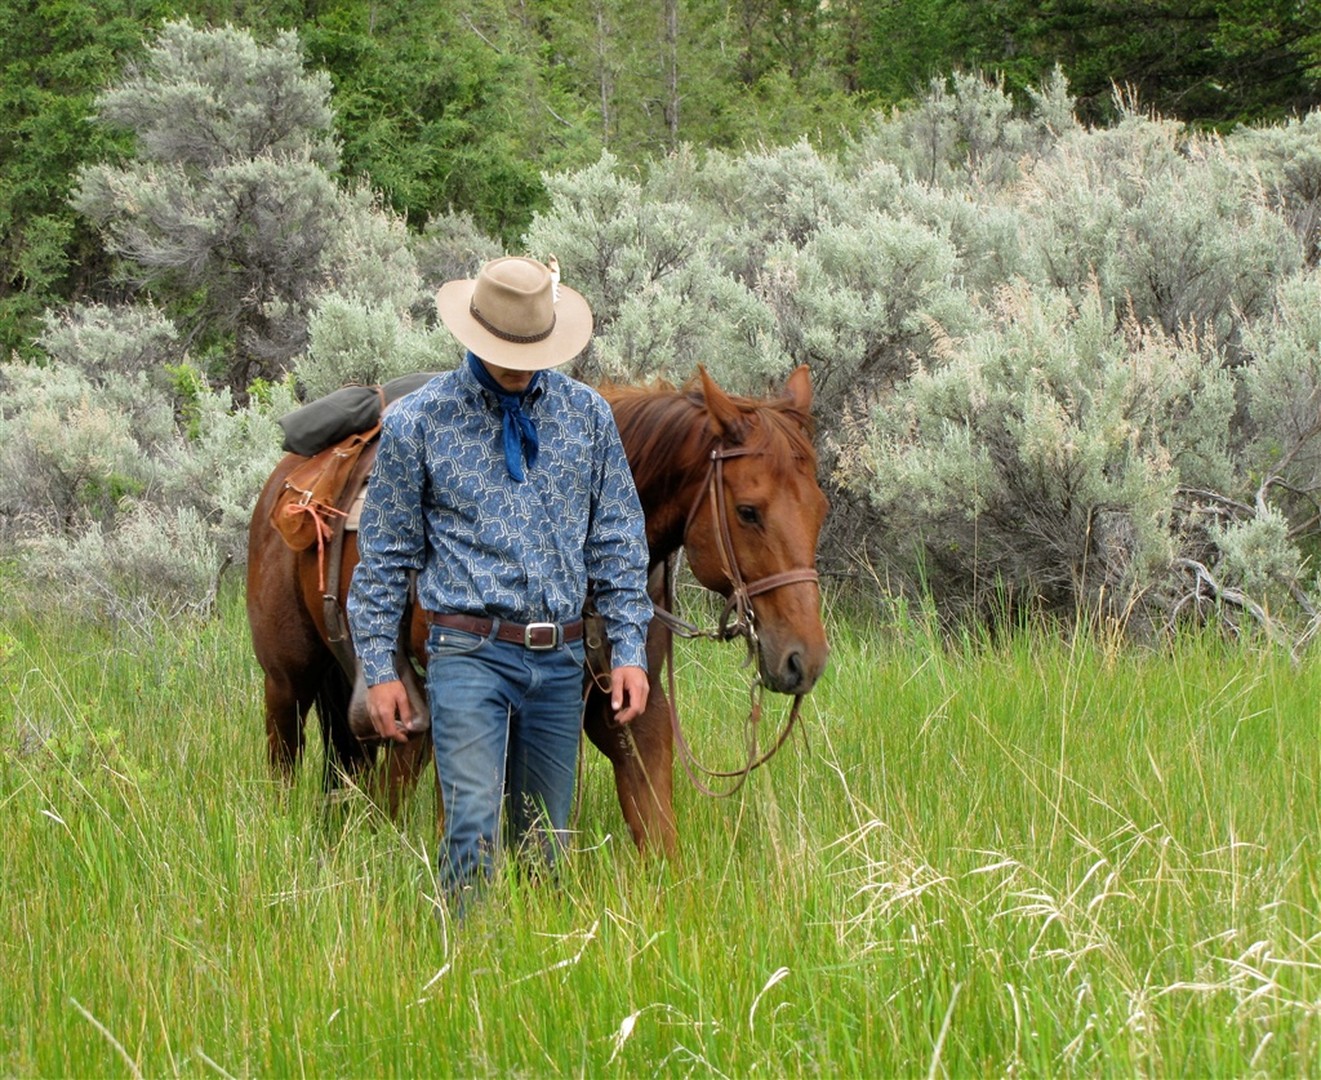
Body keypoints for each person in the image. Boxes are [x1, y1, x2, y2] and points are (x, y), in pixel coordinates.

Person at [347, 255, 651, 907]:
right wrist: (378, 668)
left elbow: (618, 541)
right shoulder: (418, 422)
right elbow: (385, 556)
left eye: (529, 349)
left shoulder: (588, 417)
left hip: (561, 658)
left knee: (546, 845)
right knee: (471, 835)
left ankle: (532, 963)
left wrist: (629, 649)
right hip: (467, 653)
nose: (517, 363)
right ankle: (466, 964)